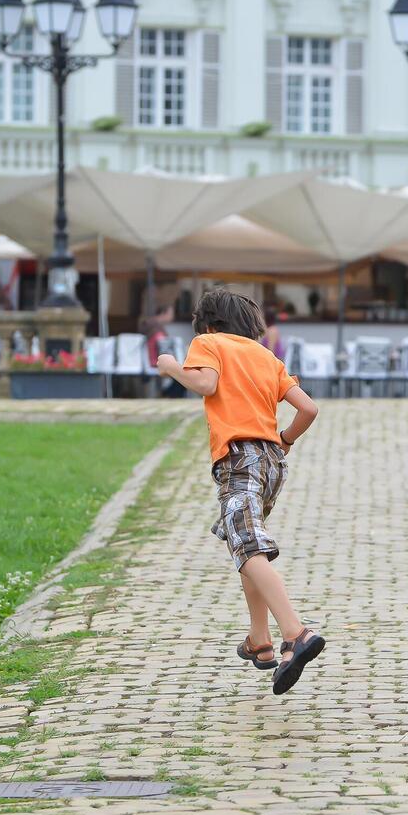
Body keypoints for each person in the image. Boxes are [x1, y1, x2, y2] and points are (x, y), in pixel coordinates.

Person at [155, 289, 325, 696]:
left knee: (247, 548)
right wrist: (284, 439)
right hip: (271, 465)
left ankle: (295, 634)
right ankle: (260, 640)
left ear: (210, 324)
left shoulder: (208, 343)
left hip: (238, 460)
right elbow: (309, 409)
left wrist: (172, 367)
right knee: (249, 548)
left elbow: (206, 383)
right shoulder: (267, 356)